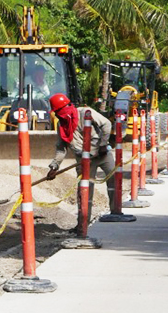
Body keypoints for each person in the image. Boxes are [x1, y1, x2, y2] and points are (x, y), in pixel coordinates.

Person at [44, 93, 115, 227]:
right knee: (84, 191)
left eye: (57, 112)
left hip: (102, 154)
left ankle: (115, 211)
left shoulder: (85, 113)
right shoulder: (62, 126)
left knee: (114, 179)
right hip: (83, 160)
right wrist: (54, 167)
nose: (57, 115)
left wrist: (103, 144)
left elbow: (106, 124)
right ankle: (82, 225)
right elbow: (61, 149)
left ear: (63, 109)